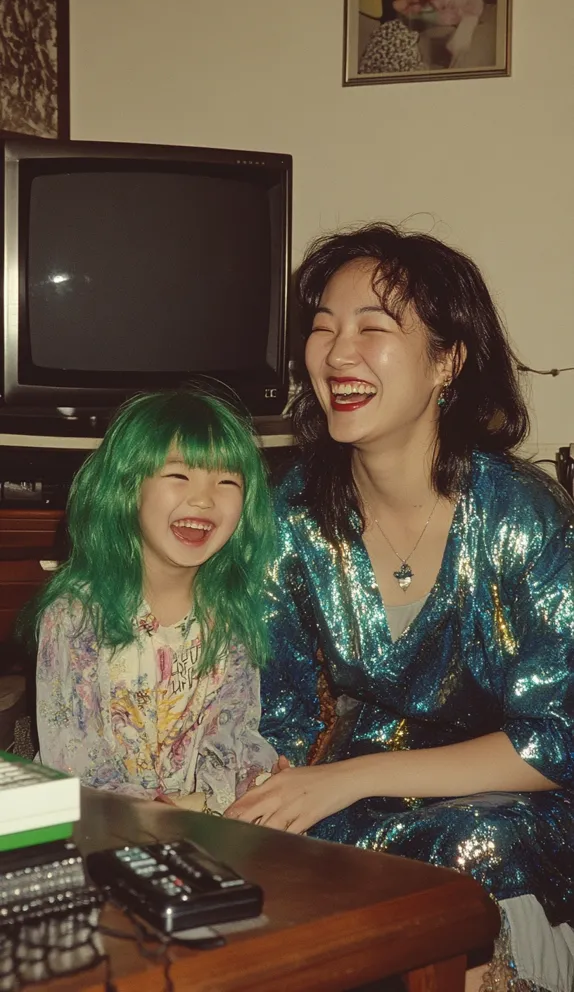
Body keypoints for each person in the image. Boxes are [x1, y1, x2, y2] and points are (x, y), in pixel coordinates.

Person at [227, 224, 574, 991]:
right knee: (282, 856)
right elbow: (280, 716)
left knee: (474, 842)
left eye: (372, 329)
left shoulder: (519, 513)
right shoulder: (289, 517)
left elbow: (557, 741)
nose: (336, 353)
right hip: (366, 784)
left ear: (447, 361)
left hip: (515, 798)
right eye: (322, 327)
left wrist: (354, 779)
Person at [34, 389, 277, 813]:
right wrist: (171, 808)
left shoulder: (231, 616)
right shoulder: (74, 616)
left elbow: (234, 732)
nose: (204, 499)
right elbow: (75, 760)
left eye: (227, 482)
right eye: (179, 476)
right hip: (96, 821)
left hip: (200, 819)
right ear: (128, 488)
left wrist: (247, 784)